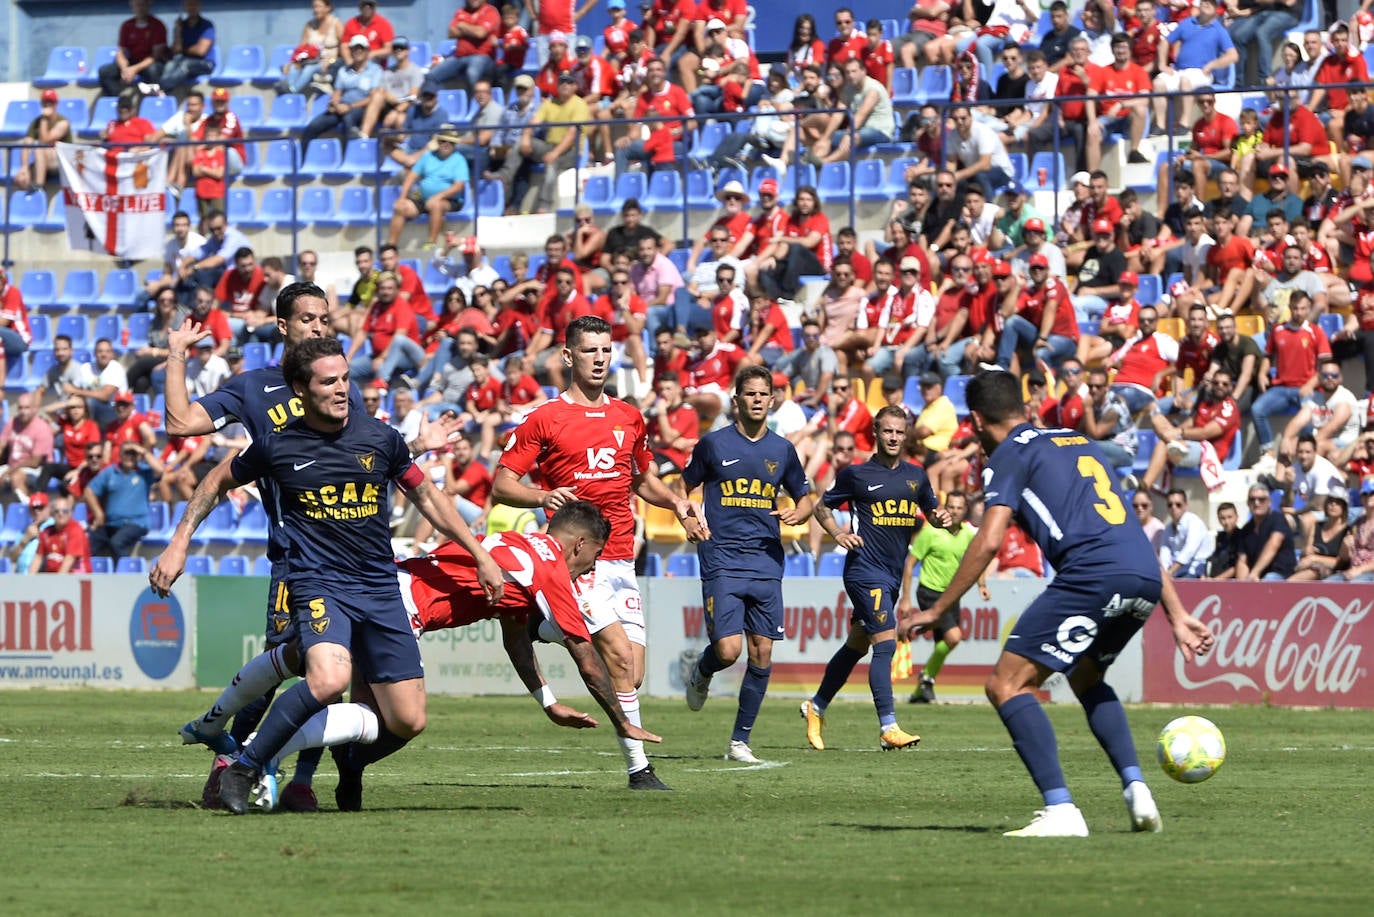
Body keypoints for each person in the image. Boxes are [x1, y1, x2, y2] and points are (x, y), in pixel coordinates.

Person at [152, 336, 502, 815]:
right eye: (328, 381)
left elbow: (428, 499)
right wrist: (179, 541)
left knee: (409, 719)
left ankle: (343, 764)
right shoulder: (277, 445)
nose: (341, 389)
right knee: (327, 678)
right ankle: (247, 765)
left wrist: (478, 553)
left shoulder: (380, 437)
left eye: (344, 379)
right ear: (300, 388)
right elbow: (215, 480)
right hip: (318, 584)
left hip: (379, 588)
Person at [904, 370, 1214, 837]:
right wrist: (1178, 613)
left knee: (1006, 685)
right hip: (1144, 574)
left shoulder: (1008, 455)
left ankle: (1061, 810)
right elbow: (1126, 527)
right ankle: (1137, 792)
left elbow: (988, 541)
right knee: (1087, 676)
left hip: (1091, 573)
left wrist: (935, 608)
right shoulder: (1078, 440)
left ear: (977, 419)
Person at [493, 315, 703, 790]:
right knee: (620, 660)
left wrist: (679, 504)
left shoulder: (629, 417)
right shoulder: (545, 418)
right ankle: (639, 769)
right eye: (590, 350)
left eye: (606, 350)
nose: (600, 359)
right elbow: (502, 483)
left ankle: (544, 622)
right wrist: (541, 497)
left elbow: (643, 480)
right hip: (575, 560)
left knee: (633, 671)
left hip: (621, 557)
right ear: (568, 356)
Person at [680, 364, 812, 763]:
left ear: (772, 401)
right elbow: (685, 486)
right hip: (722, 557)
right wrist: (688, 517)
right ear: (736, 400)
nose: (757, 400)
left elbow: (805, 496)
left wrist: (799, 514)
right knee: (727, 651)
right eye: (749, 393)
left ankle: (740, 741)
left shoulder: (782, 450)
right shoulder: (713, 445)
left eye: (763, 394)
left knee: (762, 654)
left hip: (767, 561)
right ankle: (703, 670)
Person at [800, 407, 950, 747]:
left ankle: (816, 705)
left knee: (856, 645)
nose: (894, 437)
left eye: (899, 432)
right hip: (864, 571)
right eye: (887, 432)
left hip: (892, 575)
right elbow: (822, 505)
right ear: (876, 434)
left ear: (906, 434)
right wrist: (837, 534)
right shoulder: (857, 475)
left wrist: (940, 518)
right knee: (886, 643)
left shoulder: (917, 475)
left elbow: (933, 514)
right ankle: (888, 728)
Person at [896, 490, 982, 705]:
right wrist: (905, 598)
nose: (954, 511)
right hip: (929, 591)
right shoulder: (931, 532)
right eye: (950, 507)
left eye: (959, 508)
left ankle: (921, 690)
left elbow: (976, 562)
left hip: (952, 595)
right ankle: (926, 676)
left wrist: (982, 585)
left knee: (943, 643)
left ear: (965, 511)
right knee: (953, 637)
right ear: (945, 508)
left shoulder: (968, 535)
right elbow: (909, 564)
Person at [386, 126, 469, 248]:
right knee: (400, 207)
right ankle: (390, 247)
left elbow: (458, 186)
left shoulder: (459, 160)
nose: (446, 144)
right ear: (438, 142)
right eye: (442, 141)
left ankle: (431, 243)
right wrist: (402, 197)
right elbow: (411, 177)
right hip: (422, 198)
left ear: (454, 144)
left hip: (450, 200)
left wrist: (438, 196)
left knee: (436, 205)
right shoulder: (427, 156)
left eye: (450, 142)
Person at [84, 441, 163, 561]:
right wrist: (98, 513)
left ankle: (124, 574)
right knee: (88, 543)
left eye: (133, 453)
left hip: (136, 523)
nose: (130, 457)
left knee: (116, 542)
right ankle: (86, 576)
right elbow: (89, 491)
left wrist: (141, 450)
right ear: (120, 455)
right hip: (111, 523)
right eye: (126, 453)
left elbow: (160, 470)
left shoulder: (144, 472)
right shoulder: (111, 472)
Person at [99, 0, 168, 99]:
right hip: (132, 61)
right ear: (132, 7)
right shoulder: (126, 26)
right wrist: (125, 69)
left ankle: (152, 100)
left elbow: (156, 55)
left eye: (143, 4)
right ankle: (116, 101)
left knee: (153, 70)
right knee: (105, 71)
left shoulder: (158, 25)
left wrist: (134, 69)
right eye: (137, 5)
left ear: (148, 5)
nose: (140, 8)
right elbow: (121, 52)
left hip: (150, 63)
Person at [1235, 484, 1297, 581]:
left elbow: (1274, 544)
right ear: (1247, 503)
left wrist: (1254, 573)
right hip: (1257, 577)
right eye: (1252, 499)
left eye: (1261, 499)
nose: (1256, 503)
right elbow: (1242, 561)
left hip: (1280, 574)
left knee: (1268, 579)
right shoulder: (1246, 529)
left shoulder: (1278, 519)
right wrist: (1242, 585)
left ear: (1269, 502)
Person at [0, 393, 53, 502]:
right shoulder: (12, 422)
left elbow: (35, 461)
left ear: (34, 409)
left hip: (37, 470)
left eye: (27, 408)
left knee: (16, 477)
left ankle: (27, 509)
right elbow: (1, 445)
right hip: (12, 465)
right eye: (20, 408)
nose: (23, 411)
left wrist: (9, 471)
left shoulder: (42, 429)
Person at [29, 495, 90, 574]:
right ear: (52, 514)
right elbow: (38, 557)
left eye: (65, 511)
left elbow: (69, 559)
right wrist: (30, 581)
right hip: (53, 578)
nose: (61, 514)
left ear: (71, 513)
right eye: (57, 511)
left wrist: (57, 583)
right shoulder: (46, 532)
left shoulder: (76, 530)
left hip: (75, 579)